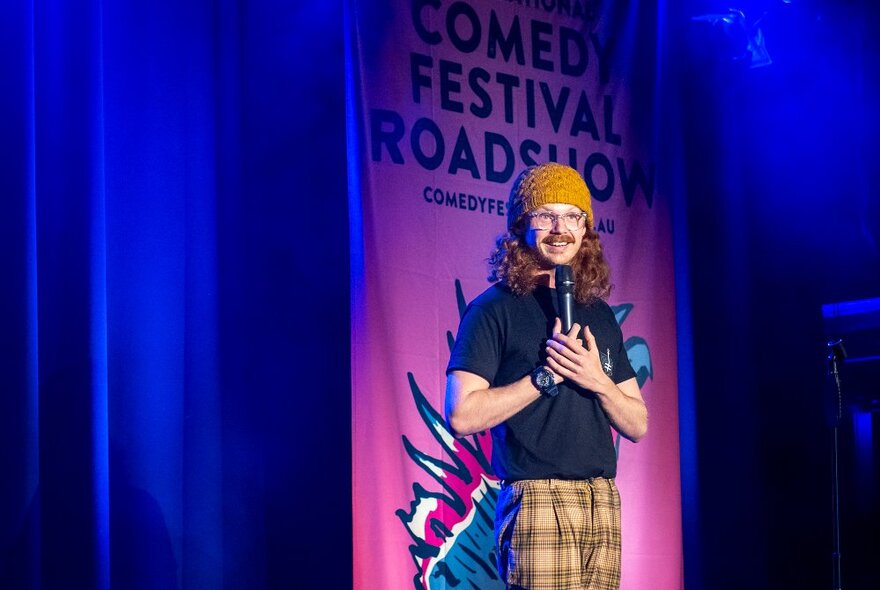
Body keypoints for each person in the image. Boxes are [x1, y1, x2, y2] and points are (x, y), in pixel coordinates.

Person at [445, 162, 648, 590]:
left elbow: (638, 424)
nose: (561, 228)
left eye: (573, 216)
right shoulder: (494, 308)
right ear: (522, 225)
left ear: (586, 228)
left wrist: (596, 379)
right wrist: (543, 378)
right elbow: (461, 415)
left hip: (602, 500)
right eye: (546, 215)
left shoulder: (599, 314)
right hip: (538, 497)